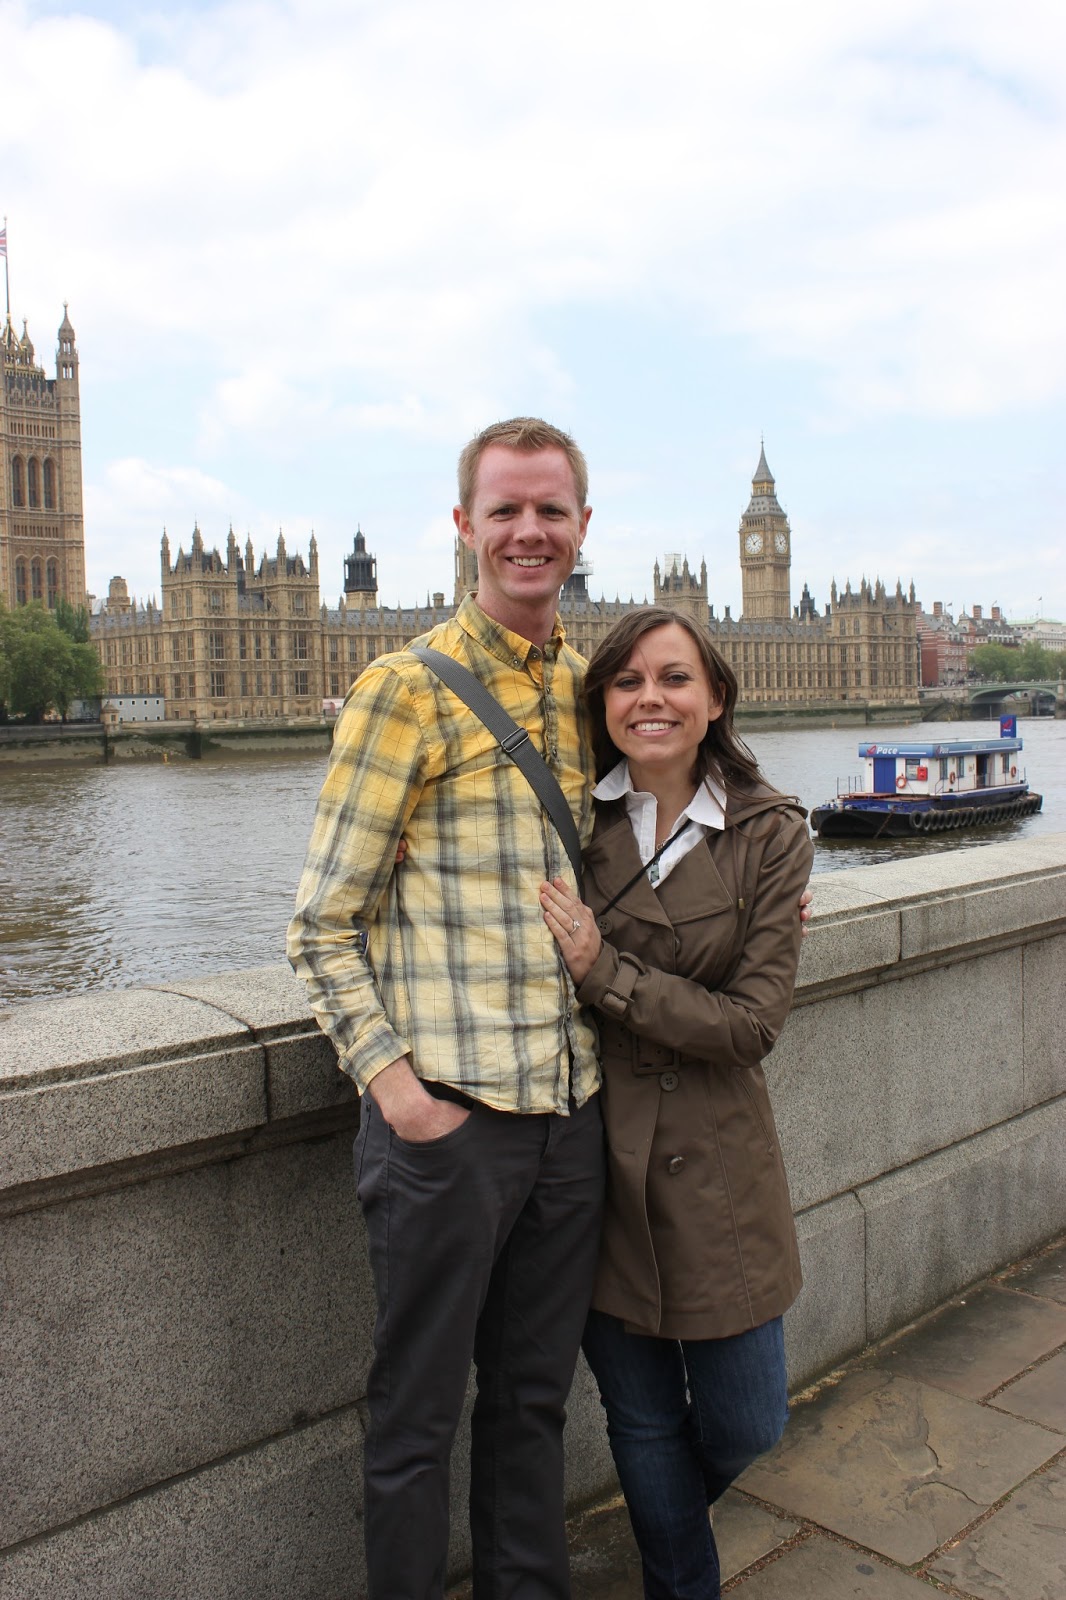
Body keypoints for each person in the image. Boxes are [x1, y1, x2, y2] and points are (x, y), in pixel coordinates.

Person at [287, 418, 607, 1600]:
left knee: (532, 1405)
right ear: (466, 525)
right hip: (450, 1124)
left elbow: (697, 791)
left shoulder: (590, 684)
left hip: (570, 1116)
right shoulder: (401, 688)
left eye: (552, 511)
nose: (530, 531)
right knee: (417, 1417)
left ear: (582, 528)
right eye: (507, 510)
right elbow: (319, 923)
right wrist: (401, 1095)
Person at [540, 607, 814, 1600]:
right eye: (626, 682)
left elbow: (750, 1023)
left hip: (719, 1163)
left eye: (673, 679)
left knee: (747, 1422)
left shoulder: (769, 832)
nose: (649, 699)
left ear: (715, 699)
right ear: (600, 702)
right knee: (643, 1421)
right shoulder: (566, 818)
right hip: (596, 1161)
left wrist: (600, 971)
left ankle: (666, 1543)